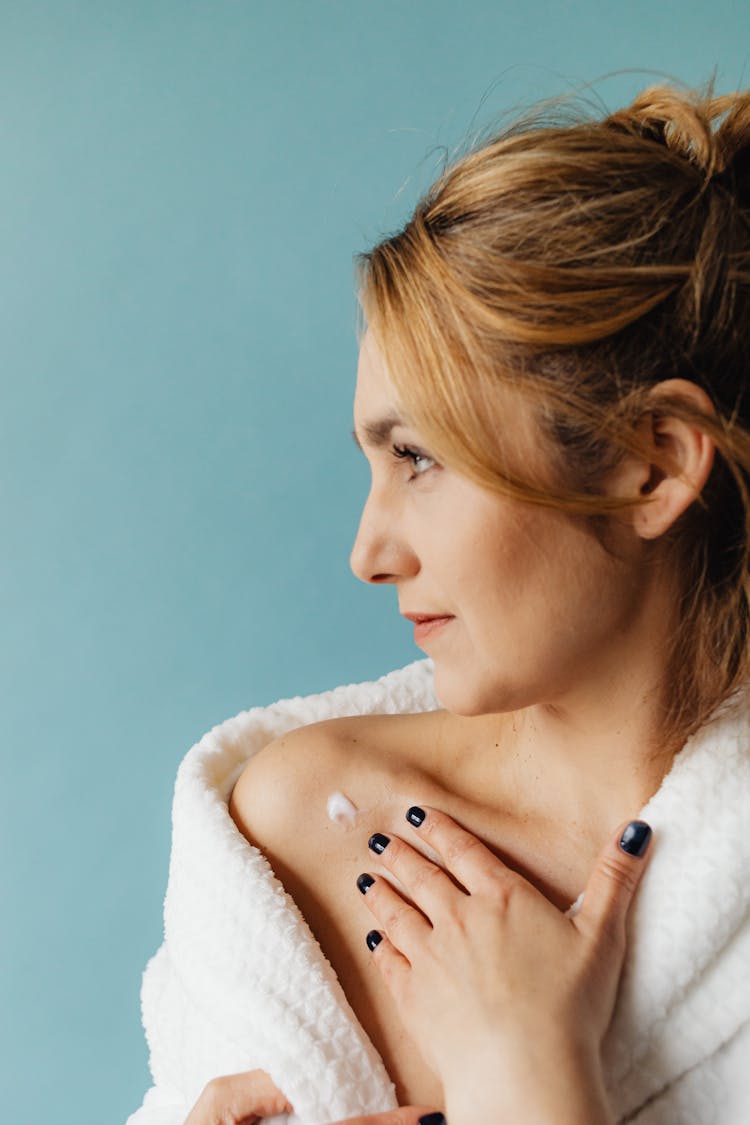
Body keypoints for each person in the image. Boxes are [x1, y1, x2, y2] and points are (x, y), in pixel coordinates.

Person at [127, 77, 750, 1125]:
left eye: (419, 458)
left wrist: (532, 1072)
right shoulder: (298, 834)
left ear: (654, 465)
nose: (369, 553)